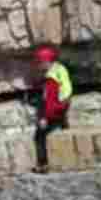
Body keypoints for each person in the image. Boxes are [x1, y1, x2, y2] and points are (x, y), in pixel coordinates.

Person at [32, 45, 73, 173]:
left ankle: (43, 164)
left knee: (39, 136)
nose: (38, 66)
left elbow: (49, 100)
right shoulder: (60, 70)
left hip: (54, 112)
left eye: (39, 63)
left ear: (45, 61)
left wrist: (44, 118)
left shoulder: (51, 80)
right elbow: (65, 92)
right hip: (63, 108)